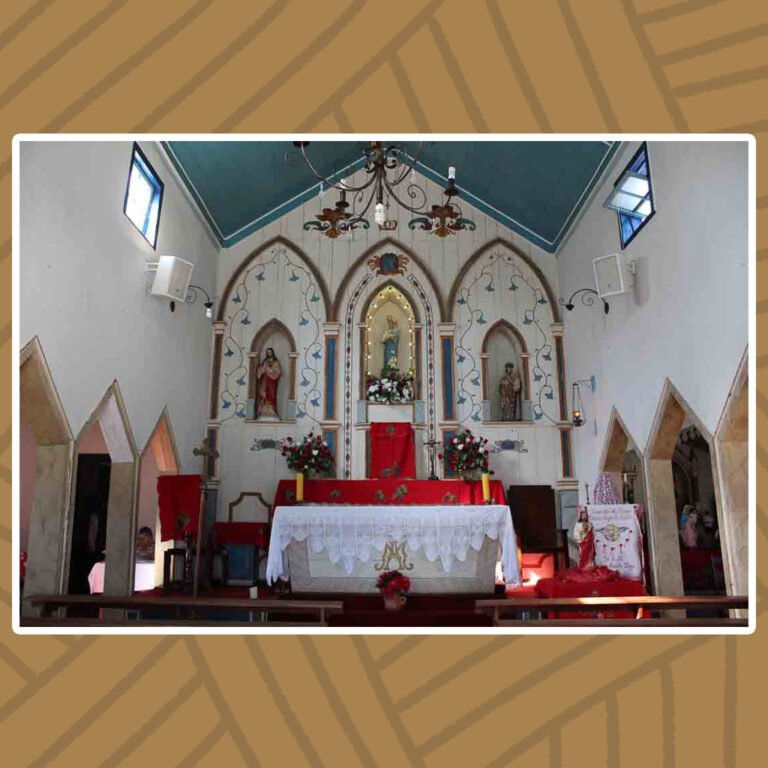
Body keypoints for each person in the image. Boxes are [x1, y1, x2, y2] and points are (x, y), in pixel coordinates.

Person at [256, 347, 282, 419]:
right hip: (265, 381)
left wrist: (269, 369)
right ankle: (263, 412)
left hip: (271, 383)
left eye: (270, 352)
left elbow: (278, 372)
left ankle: (271, 411)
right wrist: (261, 370)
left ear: (272, 353)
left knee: (271, 396)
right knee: (264, 395)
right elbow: (261, 370)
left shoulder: (275, 361)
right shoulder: (265, 361)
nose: (269, 353)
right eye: (268, 352)